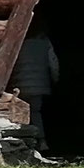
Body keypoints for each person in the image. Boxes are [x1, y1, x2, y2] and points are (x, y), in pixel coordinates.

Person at [11, 24, 58, 158]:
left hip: (19, 83)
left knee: (20, 114)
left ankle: (22, 142)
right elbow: (53, 63)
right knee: (35, 112)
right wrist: (55, 79)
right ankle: (41, 141)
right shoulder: (45, 43)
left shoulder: (17, 41)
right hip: (39, 84)